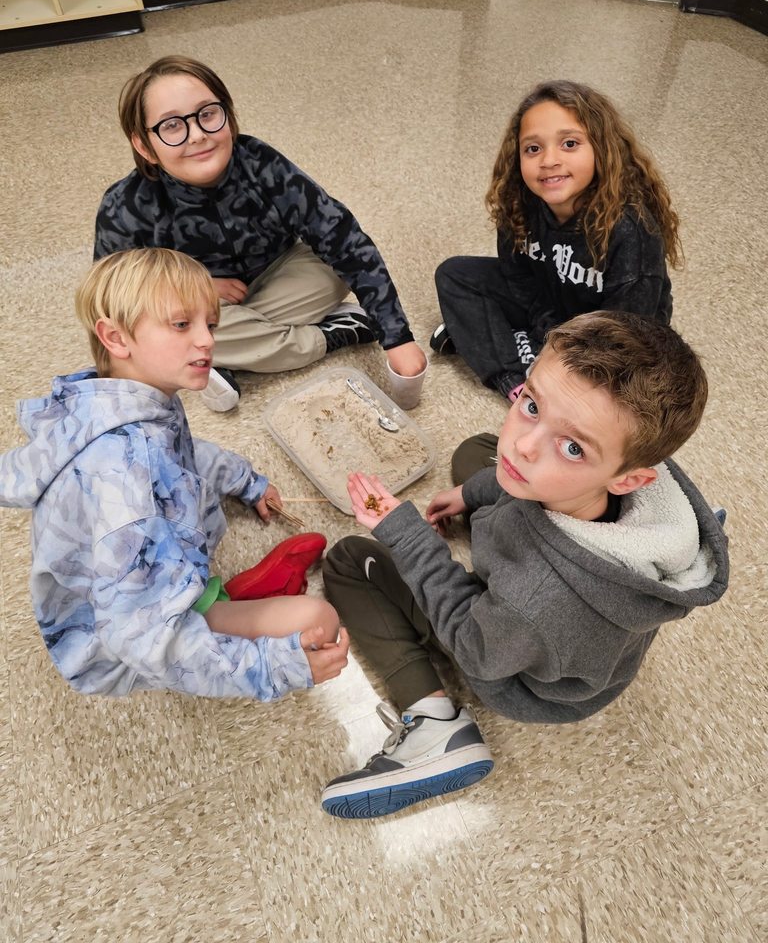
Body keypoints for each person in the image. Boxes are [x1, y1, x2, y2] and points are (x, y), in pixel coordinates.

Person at [321, 311, 729, 818]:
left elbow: (476, 647)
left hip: (512, 670)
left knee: (347, 562)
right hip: (568, 619)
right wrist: (468, 494)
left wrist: (403, 534)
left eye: (573, 446)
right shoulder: (640, 481)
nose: (524, 444)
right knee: (481, 454)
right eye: (531, 404)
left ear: (631, 480)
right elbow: (522, 459)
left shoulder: (534, 600)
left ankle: (433, 724)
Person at [0, 248, 350, 699]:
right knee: (319, 623)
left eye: (211, 324)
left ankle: (218, 601)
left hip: (140, 580)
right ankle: (220, 603)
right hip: (112, 638)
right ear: (116, 337)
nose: (206, 340)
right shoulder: (126, 483)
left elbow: (180, 453)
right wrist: (273, 667)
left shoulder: (117, 400)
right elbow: (144, 639)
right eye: (182, 325)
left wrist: (244, 480)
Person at [94, 55, 427, 412]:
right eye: (172, 126)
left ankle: (220, 353)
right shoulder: (124, 206)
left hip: (282, 273)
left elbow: (342, 236)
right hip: (194, 301)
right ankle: (333, 334)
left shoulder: (261, 163)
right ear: (145, 146)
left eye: (207, 114)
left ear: (229, 116)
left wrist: (397, 339)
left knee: (334, 270)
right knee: (165, 330)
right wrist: (198, 286)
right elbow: (112, 305)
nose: (198, 134)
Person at [430, 80, 682, 400]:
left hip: (618, 334)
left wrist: (560, 345)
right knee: (455, 275)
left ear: (601, 149)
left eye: (569, 144)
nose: (549, 160)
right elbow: (518, 278)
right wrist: (547, 327)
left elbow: (629, 330)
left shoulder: (631, 229)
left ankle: (505, 344)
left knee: (620, 391)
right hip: (551, 304)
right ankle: (518, 384)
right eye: (533, 149)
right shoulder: (518, 201)